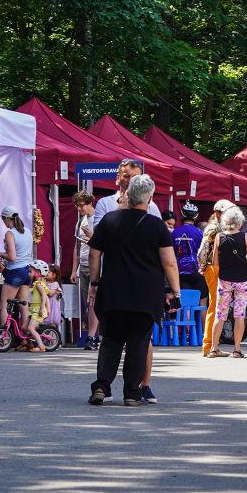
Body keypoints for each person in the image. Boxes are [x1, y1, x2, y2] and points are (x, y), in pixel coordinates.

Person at [87, 173, 178, 406]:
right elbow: (169, 262)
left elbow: (94, 253)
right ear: (149, 198)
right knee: (138, 342)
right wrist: (175, 291)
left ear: (128, 195)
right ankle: (131, 393)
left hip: (114, 289)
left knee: (111, 340)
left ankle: (101, 385)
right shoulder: (156, 225)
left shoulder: (109, 220)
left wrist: (95, 281)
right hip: (145, 294)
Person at [209, 207, 247, 358]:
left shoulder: (219, 237)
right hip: (242, 280)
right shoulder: (246, 237)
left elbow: (215, 262)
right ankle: (236, 350)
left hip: (225, 280)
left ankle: (214, 349)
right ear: (239, 222)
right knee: (239, 315)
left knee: (220, 314)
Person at [0, 202, 31, 338]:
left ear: (7, 218)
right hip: (27, 270)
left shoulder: (10, 234)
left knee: (4, 305)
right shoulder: (27, 231)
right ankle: (26, 338)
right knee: (24, 306)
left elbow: (12, 257)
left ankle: (4, 337)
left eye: (3, 219)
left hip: (15, 271)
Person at [72, 191, 98, 349]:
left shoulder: (98, 219)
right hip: (83, 265)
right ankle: (93, 335)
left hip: (96, 265)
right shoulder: (80, 222)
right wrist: (74, 269)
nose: (78, 209)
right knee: (87, 303)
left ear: (90, 203)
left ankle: (91, 337)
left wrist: (93, 237)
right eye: (77, 206)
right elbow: (77, 246)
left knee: (93, 302)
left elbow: (104, 243)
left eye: (81, 205)